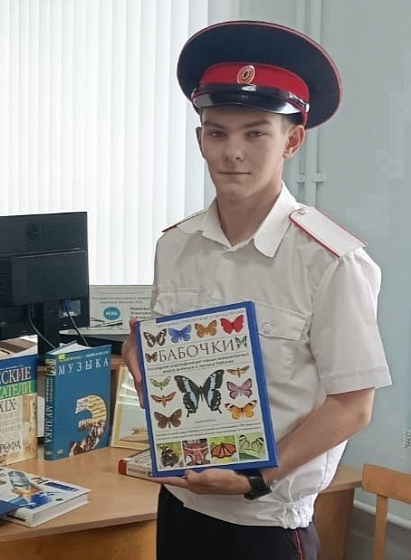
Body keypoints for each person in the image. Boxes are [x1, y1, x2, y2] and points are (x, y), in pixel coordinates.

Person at [120, 21, 391, 560]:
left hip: (265, 521)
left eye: (255, 133)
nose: (233, 153)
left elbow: (352, 405)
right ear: (200, 139)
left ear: (291, 140)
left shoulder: (330, 261)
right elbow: (166, 350)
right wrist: (140, 352)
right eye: (217, 133)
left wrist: (257, 478)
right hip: (179, 502)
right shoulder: (175, 246)